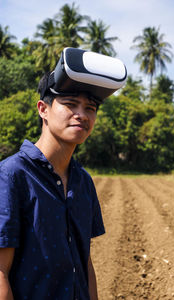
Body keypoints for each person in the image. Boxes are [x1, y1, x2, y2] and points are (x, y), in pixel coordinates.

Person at [0, 47, 127, 300]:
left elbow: (84, 262)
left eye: (90, 108)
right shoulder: (12, 176)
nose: (82, 115)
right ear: (42, 110)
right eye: (70, 104)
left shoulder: (84, 182)